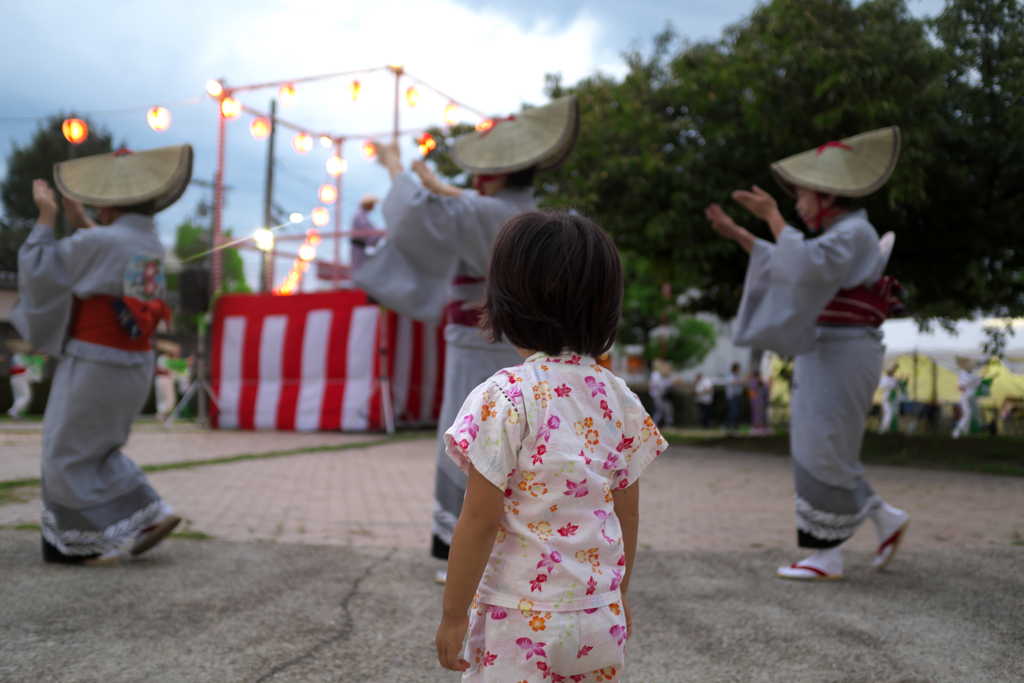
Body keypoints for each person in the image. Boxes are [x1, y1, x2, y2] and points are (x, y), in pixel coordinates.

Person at [354, 96, 581, 583]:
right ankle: (512, 544)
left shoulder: (483, 211)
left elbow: (417, 212)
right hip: (524, 347)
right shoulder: (526, 213)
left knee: (469, 440)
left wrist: (394, 163)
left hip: (479, 346)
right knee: (517, 444)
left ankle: (470, 552)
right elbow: (455, 205)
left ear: (494, 173)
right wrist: (434, 184)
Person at [435, 210, 664, 682]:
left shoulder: (506, 397)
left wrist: (454, 615)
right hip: (599, 615)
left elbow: (478, 518)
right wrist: (618, 592)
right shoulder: (619, 399)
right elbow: (629, 514)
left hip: (520, 618)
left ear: (506, 304)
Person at [705, 127, 910, 581]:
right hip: (831, 349)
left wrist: (773, 216)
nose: (798, 204)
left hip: (844, 349)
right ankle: (880, 519)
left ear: (827, 194)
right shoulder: (846, 232)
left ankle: (826, 553)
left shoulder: (854, 232)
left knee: (821, 446)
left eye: (802, 195)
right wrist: (739, 231)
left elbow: (803, 265)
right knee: (821, 445)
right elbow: (793, 261)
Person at [11, 144, 191, 565]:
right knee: (99, 449)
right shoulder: (153, 243)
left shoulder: (103, 240)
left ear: (110, 206)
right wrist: (88, 224)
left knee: (64, 450)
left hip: (96, 359)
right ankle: (151, 515)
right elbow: (111, 253)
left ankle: (77, 542)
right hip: (134, 361)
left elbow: (40, 266)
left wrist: (46, 216)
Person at [349, 194, 387, 272]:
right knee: (360, 270)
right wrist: (381, 234)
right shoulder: (360, 215)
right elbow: (368, 230)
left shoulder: (361, 215)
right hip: (358, 248)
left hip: (360, 248)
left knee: (360, 269)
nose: (373, 207)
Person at [6, 340, 42, 420]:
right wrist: (37, 356)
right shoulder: (20, 356)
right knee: (26, 396)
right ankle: (13, 410)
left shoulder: (17, 356)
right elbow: (32, 362)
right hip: (20, 377)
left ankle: (16, 414)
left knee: (19, 396)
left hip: (16, 377)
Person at [952, 356, 985, 438]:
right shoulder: (962, 373)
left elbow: (978, 384)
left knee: (976, 414)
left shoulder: (975, 372)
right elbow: (960, 387)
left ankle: (973, 432)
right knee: (968, 414)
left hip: (974, 397)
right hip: (966, 397)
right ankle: (958, 431)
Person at [154, 340, 181, 422]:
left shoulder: (169, 359)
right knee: (166, 398)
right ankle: (160, 414)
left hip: (166, 380)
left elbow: (176, 365)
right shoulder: (164, 358)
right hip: (163, 380)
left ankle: (162, 415)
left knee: (169, 399)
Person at [648, 358, 679, 428]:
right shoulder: (656, 374)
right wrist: (673, 382)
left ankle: (663, 424)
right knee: (659, 411)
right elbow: (660, 385)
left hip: (662, 395)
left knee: (666, 411)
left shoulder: (659, 374)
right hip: (658, 395)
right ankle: (653, 425)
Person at [878, 366, 903, 434]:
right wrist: (894, 384)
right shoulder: (884, 378)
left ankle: (891, 431)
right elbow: (883, 387)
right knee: (889, 414)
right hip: (887, 398)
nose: (893, 371)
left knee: (895, 415)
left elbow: (896, 387)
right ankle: (882, 431)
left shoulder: (894, 378)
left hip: (894, 399)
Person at [748, 368, 770, 435]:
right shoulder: (754, 382)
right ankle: (758, 428)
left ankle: (760, 427)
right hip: (757, 402)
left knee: (758, 414)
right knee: (759, 415)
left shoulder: (754, 382)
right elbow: (752, 393)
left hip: (757, 402)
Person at [723, 362, 744, 432]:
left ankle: (736, 427)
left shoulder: (738, 376)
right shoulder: (730, 376)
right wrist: (742, 380)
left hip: (738, 396)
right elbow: (733, 382)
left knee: (739, 412)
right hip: (732, 396)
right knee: (734, 412)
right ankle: (725, 425)